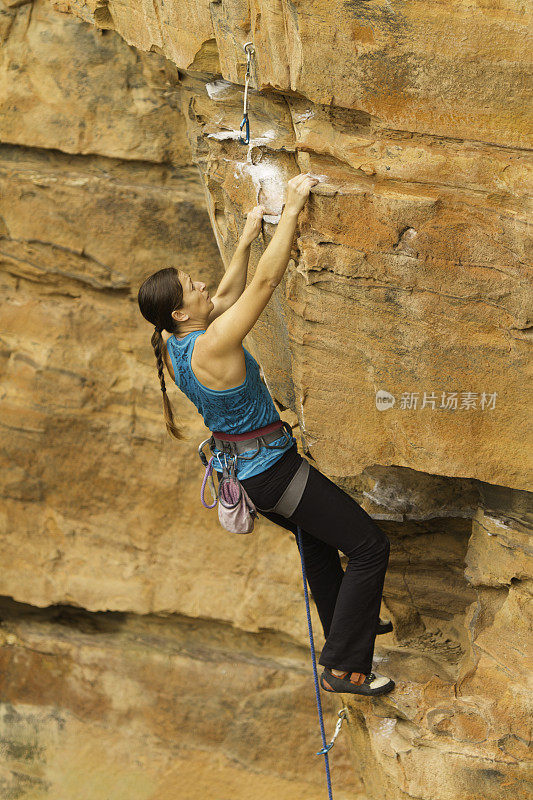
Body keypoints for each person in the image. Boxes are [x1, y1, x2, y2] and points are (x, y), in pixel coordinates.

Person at [137, 172, 395, 696]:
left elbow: (229, 290)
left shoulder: (174, 342)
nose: (203, 283)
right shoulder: (211, 346)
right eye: (192, 285)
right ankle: (345, 666)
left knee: (319, 547)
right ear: (180, 313)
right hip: (274, 474)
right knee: (370, 546)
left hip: (248, 475)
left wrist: (248, 234)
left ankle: (350, 629)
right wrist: (294, 210)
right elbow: (262, 287)